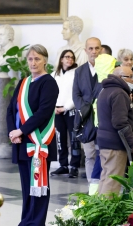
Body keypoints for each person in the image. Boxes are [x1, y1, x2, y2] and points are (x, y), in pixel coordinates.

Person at [6, 44, 59, 226]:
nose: (33, 62)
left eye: (37, 59)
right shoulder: (23, 83)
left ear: (45, 60)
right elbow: (11, 109)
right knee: (26, 185)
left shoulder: (49, 83)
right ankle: (25, 222)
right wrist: (13, 131)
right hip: (22, 142)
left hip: (39, 143)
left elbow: (43, 113)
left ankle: (36, 225)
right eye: (30, 59)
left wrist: (21, 130)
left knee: (39, 185)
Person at [97, 66, 133, 194]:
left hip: (105, 141)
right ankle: (106, 212)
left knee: (106, 178)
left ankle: (98, 209)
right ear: (121, 78)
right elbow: (120, 122)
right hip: (115, 143)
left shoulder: (105, 91)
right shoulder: (119, 93)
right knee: (113, 182)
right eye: (131, 77)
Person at [73, 37, 103, 185]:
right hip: (86, 118)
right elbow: (76, 94)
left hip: (103, 117)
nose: (94, 52)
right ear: (86, 51)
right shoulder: (79, 71)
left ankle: (104, 185)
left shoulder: (108, 69)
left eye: (97, 48)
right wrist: (84, 110)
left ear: (101, 50)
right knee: (90, 153)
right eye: (90, 48)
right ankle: (92, 184)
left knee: (103, 152)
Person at [51, 49, 81, 178]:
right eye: (67, 57)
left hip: (70, 110)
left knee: (74, 139)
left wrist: (66, 107)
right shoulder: (54, 74)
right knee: (60, 139)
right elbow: (50, 92)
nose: (69, 59)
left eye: (72, 57)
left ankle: (74, 166)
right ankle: (63, 165)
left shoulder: (77, 73)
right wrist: (53, 107)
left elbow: (76, 93)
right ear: (61, 59)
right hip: (56, 111)